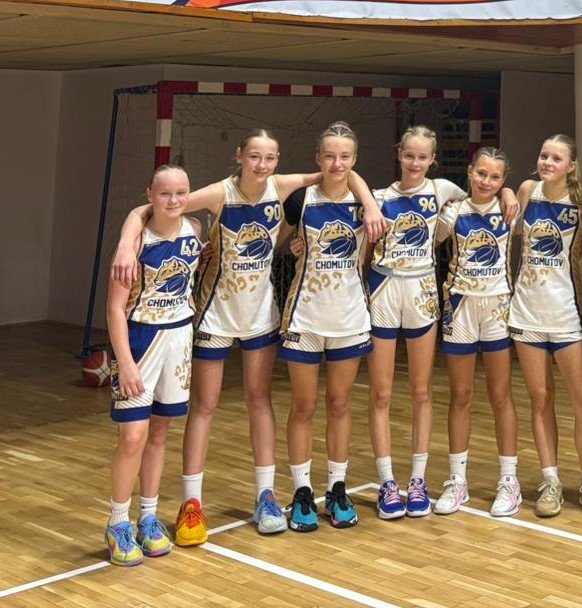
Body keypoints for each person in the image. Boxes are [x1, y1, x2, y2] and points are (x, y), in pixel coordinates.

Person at [109, 131, 383, 544]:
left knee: (259, 399)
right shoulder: (220, 193)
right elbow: (155, 206)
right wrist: (126, 243)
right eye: (254, 156)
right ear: (239, 156)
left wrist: (371, 203)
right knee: (204, 406)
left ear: (277, 160)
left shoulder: (282, 186)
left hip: (260, 315)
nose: (261, 165)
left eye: (269, 158)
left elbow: (340, 173)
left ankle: (265, 496)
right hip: (215, 314)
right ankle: (191, 504)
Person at [364, 126, 516, 519]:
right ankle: (388, 483)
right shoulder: (379, 198)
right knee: (381, 394)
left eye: (422, 157)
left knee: (425, 391)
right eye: (409, 155)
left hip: (428, 296)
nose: (415, 163)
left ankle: (420, 480)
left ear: (433, 160)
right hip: (385, 292)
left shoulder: (444, 192)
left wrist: (508, 193)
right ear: (399, 155)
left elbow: (488, 196)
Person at [104, 165, 202, 566]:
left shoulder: (196, 230)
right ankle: (117, 522)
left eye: (181, 192)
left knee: (159, 434)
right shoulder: (135, 242)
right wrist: (125, 363)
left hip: (178, 340)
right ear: (150, 195)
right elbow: (114, 308)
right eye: (164, 193)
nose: (173, 200)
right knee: (133, 437)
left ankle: (148, 517)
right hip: (139, 341)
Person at [279, 122, 374, 533]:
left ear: (355, 160)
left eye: (345, 156)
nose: (337, 163)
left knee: (339, 404)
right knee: (303, 406)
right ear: (318, 158)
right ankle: (302, 491)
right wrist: (292, 244)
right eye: (330, 156)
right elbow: (278, 242)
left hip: (349, 317)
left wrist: (369, 201)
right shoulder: (301, 199)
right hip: (304, 316)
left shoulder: (367, 204)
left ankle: (337, 487)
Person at [510, 135, 582, 519]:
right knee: (540, 398)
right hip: (527, 313)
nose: (547, 162)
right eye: (544, 155)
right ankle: (550, 480)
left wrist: (568, 254)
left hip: (567, 314)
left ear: (571, 166)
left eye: (556, 158)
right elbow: (511, 234)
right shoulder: (527, 190)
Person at [432, 147, 523, 518]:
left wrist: (509, 193)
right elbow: (419, 241)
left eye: (495, 177)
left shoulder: (510, 209)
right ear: (470, 172)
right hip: (460, 306)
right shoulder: (452, 212)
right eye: (481, 173)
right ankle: (457, 481)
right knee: (461, 395)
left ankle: (509, 481)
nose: (487, 181)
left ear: (504, 180)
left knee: (501, 395)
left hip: (497, 307)